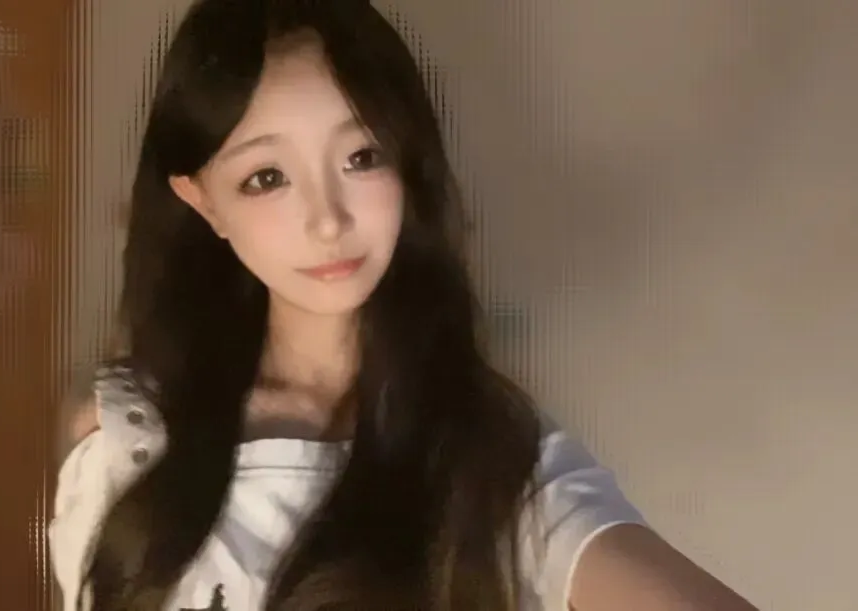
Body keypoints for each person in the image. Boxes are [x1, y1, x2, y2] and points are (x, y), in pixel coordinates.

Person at [49, 0, 760, 609]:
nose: (328, 220)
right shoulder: (121, 435)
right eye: (267, 176)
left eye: (361, 157)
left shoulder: (489, 451)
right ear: (203, 202)